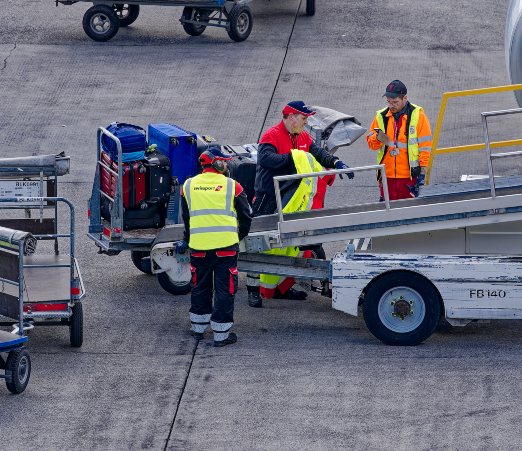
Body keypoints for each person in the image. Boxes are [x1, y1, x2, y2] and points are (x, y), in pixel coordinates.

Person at [248, 101, 353, 307]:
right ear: (290, 117)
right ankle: (253, 290)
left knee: (289, 244)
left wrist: (336, 163)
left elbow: (319, 154)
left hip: (292, 198)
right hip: (268, 198)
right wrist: (295, 158)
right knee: (258, 246)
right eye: (303, 118)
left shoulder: (303, 137)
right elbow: (266, 159)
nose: (306, 122)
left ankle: (280, 287)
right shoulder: (272, 135)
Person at [174, 148, 254, 347]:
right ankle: (221, 334)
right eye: (225, 162)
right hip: (225, 247)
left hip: (198, 247)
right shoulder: (233, 186)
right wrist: (240, 235)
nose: (227, 165)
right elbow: (245, 216)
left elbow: (187, 220)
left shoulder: (188, 186)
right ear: (218, 164)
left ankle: (198, 328)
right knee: (225, 289)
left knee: (199, 286)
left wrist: (188, 239)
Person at [367, 80, 433, 201]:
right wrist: (377, 138)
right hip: (387, 177)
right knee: (388, 215)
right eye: (389, 102)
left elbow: (425, 147)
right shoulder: (380, 116)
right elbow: (372, 146)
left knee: (411, 214)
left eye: (395, 102)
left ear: (405, 98)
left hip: (410, 178)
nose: (391, 106)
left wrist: (423, 174)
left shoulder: (418, 116)